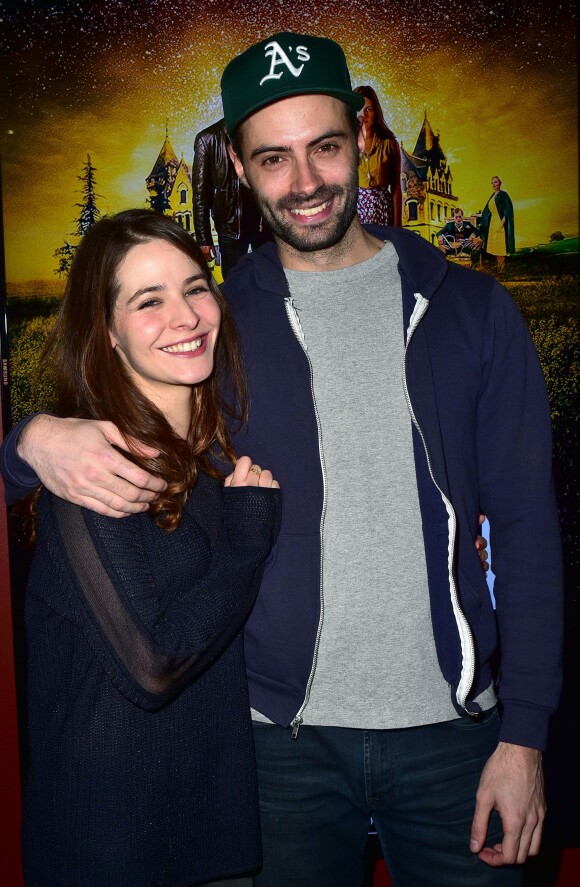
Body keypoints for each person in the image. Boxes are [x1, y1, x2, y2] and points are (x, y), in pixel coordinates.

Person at [0, 33, 563, 887]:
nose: (303, 183)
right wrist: (30, 439)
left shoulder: (474, 312)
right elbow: (122, 406)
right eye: (273, 158)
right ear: (238, 162)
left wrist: (524, 735)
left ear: (362, 138)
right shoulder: (215, 328)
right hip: (273, 747)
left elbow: (526, 532)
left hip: (458, 736)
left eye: (325, 147)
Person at [15, 209, 280, 887]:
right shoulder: (91, 470)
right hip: (109, 846)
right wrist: (249, 539)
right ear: (108, 334)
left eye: (195, 287)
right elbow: (154, 665)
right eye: (148, 301)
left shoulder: (218, 462)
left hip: (218, 835)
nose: (187, 316)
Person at [193, 117, 271, 279]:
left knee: (270, 274)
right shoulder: (207, 139)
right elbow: (200, 194)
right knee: (233, 280)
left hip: (264, 223)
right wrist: (204, 239)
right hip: (230, 227)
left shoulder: (262, 130)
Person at [354, 84, 402, 227]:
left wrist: (398, 227)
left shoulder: (389, 144)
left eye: (369, 109)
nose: (365, 114)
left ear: (376, 112)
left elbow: (396, 188)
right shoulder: (346, 143)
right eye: (360, 109)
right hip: (356, 213)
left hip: (383, 211)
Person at [479, 176, 515, 273]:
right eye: (492, 183)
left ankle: (502, 268)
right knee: (495, 246)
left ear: (500, 183)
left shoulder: (503, 195)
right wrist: (479, 215)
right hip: (492, 222)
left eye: (495, 182)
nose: (494, 184)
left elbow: (507, 211)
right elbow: (487, 210)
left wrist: (501, 224)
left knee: (501, 246)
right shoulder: (492, 196)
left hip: (500, 222)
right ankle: (500, 268)